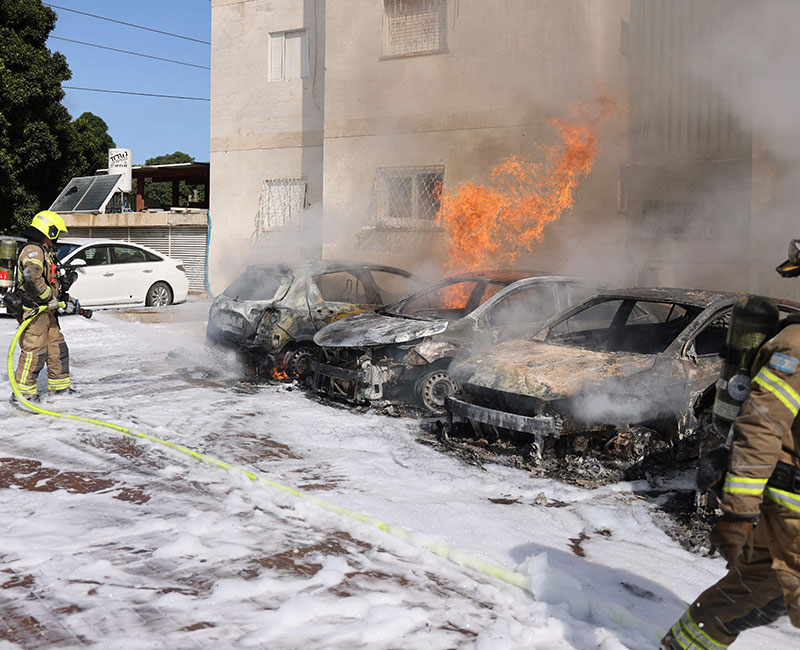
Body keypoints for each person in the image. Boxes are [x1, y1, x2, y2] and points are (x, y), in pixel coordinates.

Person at [661, 241, 800, 649]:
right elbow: (760, 428)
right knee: (762, 591)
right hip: (791, 508)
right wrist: (738, 515)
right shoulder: (795, 348)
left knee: (753, 591)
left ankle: (684, 645)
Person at [11, 210, 77, 401]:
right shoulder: (34, 251)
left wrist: (64, 295)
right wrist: (49, 298)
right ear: (48, 231)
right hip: (34, 311)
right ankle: (23, 395)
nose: (56, 239)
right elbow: (32, 276)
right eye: (56, 233)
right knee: (34, 352)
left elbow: (50, 279)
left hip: (47, 312)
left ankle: (59, 390)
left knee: (57, 348)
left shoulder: (45, 252)